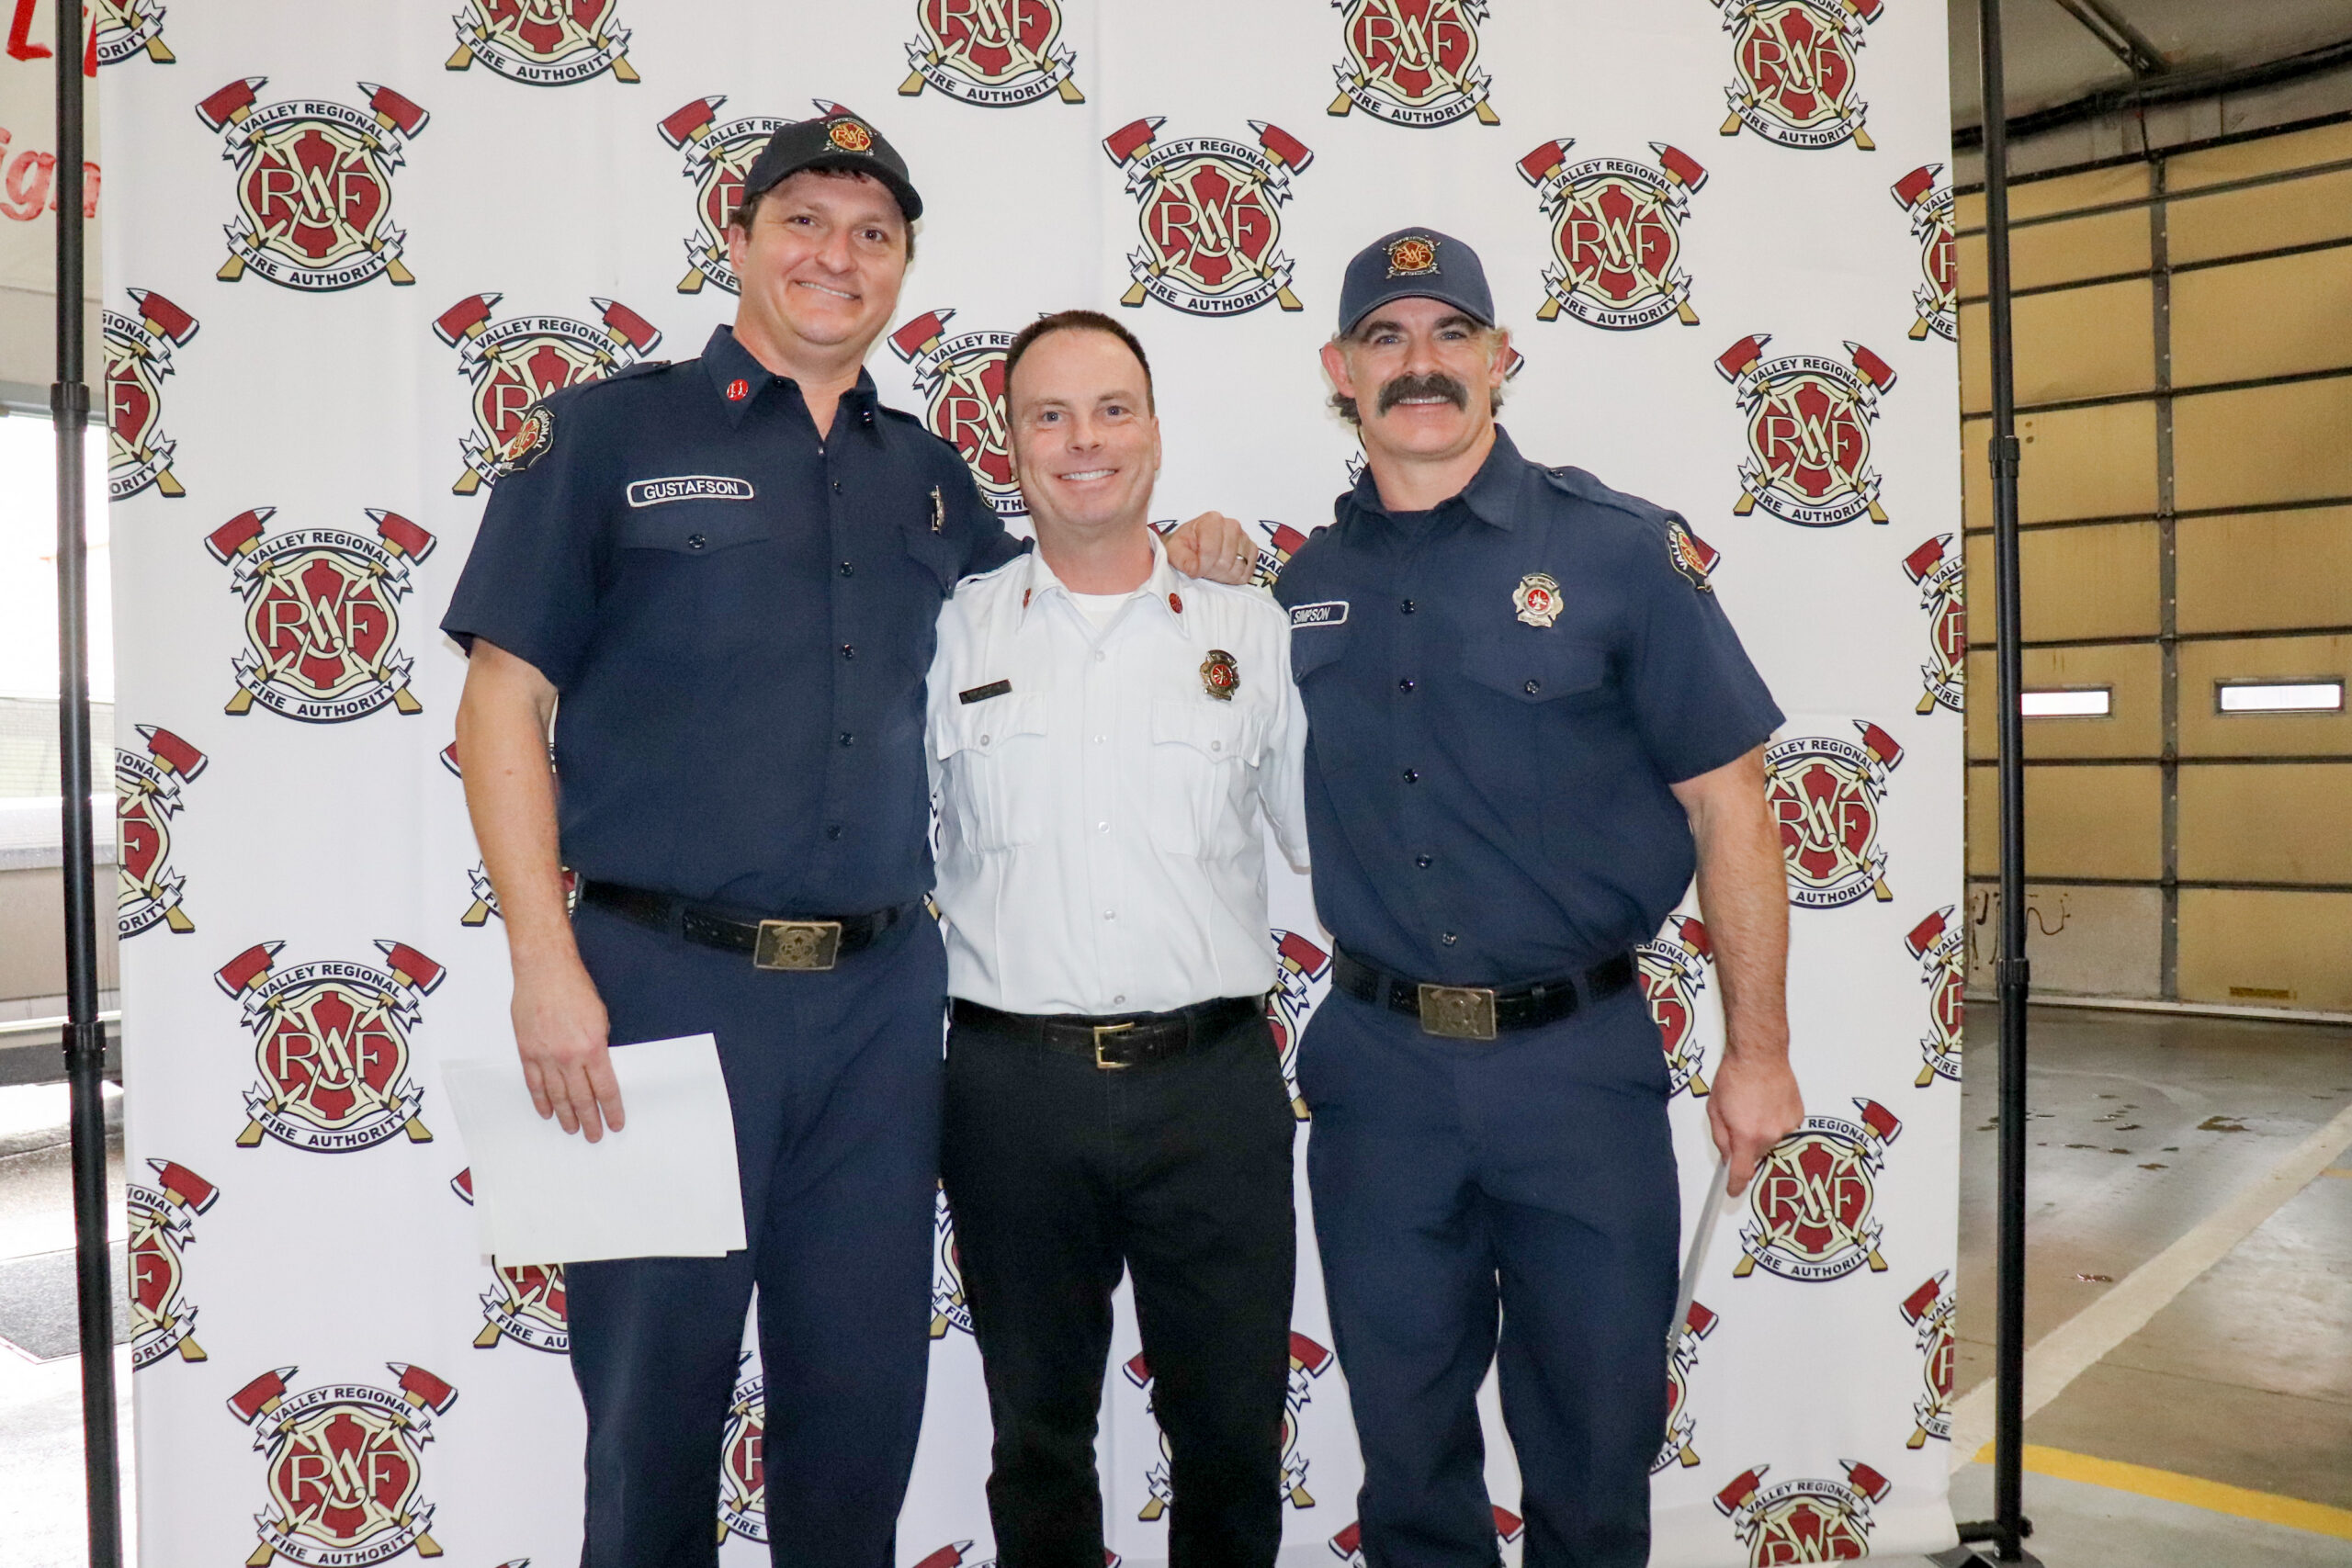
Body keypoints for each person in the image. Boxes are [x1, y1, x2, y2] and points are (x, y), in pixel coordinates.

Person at [442, 112, 1254, 1567]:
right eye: (804, 221)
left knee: (860, 1403)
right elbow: (501, 702)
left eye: (872, 234)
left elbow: (1070, 614)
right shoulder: (611, 433)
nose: (837, 254)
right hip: (655, 993)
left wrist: (1190, 553)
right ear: (738, 236)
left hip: (883, 1011)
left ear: (903, 270)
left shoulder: (931, 477)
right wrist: (542, 961)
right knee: (651, 1412)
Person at [1272, 228, 1805, 1568]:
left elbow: (1733, 805)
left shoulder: (1619, 553)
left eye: (1452, 333)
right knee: (1407, 1450)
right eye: (1386, 339)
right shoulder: (1301, 586)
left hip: (1579, 1077)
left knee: (1593, 1444)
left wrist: (1761, 1051)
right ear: (1340, 371)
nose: (1422, 365)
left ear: (1504, 358)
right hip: (1381, 1080)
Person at [928, 310, 1308, 1568]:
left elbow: (1319, 839)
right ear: (1011, 442)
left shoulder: (1250, 629)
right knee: (1035, 1441)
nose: (1082, 441)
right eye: (1049, 414)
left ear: (1154, 431)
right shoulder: (953, 634)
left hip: (1214, 1089)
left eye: (1111, 410)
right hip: (1009, 1092)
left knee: (1232, 1436)